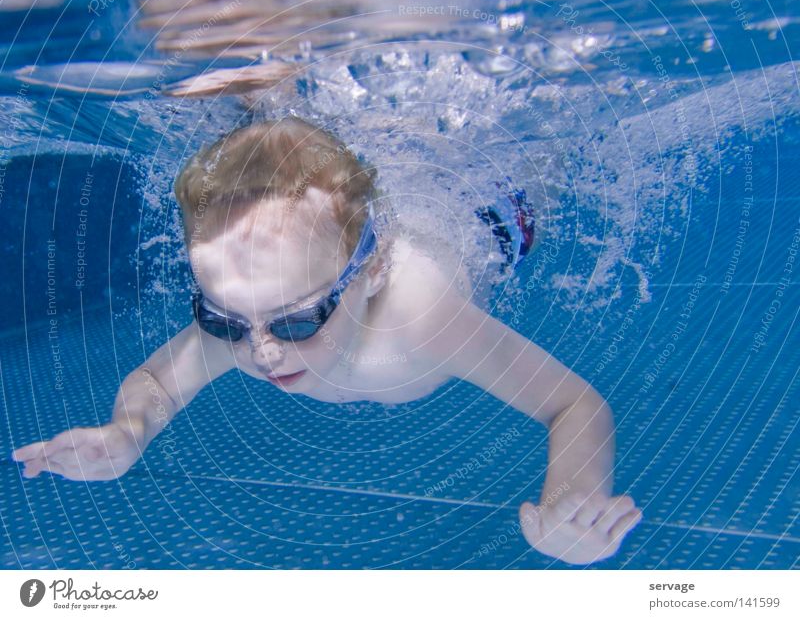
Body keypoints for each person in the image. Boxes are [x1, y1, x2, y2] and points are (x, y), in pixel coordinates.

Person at [12, 117, 642, 565]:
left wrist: (569, 497)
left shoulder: (423, 316)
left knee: (547, 145)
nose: (260, 351)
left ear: (370, 272)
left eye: (294, 321)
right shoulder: (253, 311)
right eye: (224, 320)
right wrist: (128, 433)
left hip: (497, 211)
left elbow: (574, 404)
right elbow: (155, 383)